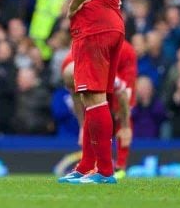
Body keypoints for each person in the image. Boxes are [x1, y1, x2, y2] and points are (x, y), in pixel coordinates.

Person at [59, 0, 146, 184]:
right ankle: (86, 166)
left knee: (94, 99)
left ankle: (104, 171)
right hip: (113, 21)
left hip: (94, 24)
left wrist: (74, 5)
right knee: (95, 96)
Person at [58, 40, 137, 180]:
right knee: (91, 103)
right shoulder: (69, 65)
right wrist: (82, 126)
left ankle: (119, 166)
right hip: (96, 58)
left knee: (118, 112)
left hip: (118, 62)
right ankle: (88, 165)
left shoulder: (107, 66)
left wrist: (125, 126)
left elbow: (123, 94)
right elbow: (77, 96)